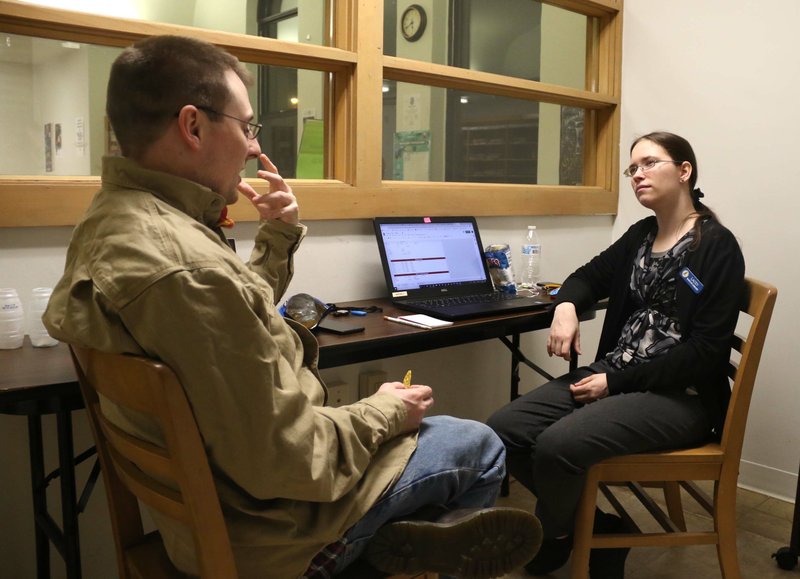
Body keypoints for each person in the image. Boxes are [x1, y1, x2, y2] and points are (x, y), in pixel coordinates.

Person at [43, 35, 542, 578]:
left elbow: (229, 315)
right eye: (247, 127)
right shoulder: (187, 267)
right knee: (478, 443)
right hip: (273, 529)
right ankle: (356, 555)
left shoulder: (115, 221)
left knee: (397, 431)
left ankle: (391, 538)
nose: (255, 148)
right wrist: (383, 410)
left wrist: (278, 235)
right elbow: (287, 459)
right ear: (193, 126)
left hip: (218, 502)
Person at [487, 131, 745, 578]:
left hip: (679, 396)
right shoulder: (641, 235)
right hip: (616, 372)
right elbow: (587, 276)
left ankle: (554, 534)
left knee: (558, 445)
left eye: (649, 163)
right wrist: (566, 307)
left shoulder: (716, 247)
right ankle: (595, 526)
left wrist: (617, 382)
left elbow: (706, 353)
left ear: (684, 172)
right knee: (502, 431)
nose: (637, 175)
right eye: (632, 169)